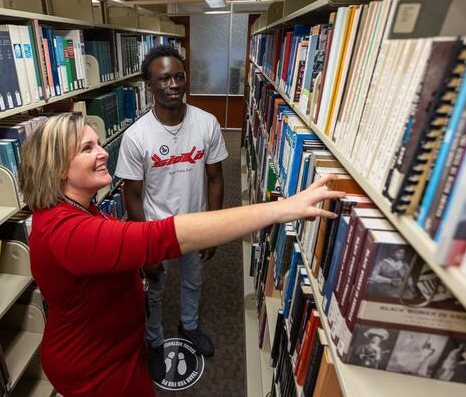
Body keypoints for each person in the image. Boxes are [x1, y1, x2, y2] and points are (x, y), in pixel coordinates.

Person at [19, 112, 344, 397]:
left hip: (115, 346)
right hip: (93, 363)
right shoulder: (65, 231)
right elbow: (167, 236)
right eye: (87, 149)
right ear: (58, 167)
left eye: (99, 143)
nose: (104, 153)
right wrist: (277, 210)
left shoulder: (77, 210)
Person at [114, 44, 227, 379]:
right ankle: (154, 340)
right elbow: (132, 196)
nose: (174, 84)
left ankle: (188, 325)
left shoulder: (207, 123)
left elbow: (216, 177)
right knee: (155, 288)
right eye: (164, 79)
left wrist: (214, 229)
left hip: (195, 224)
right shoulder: (137, 137)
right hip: (155, 230)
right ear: (150, 86)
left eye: (179, 76)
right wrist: (143, 246)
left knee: (193, 280)